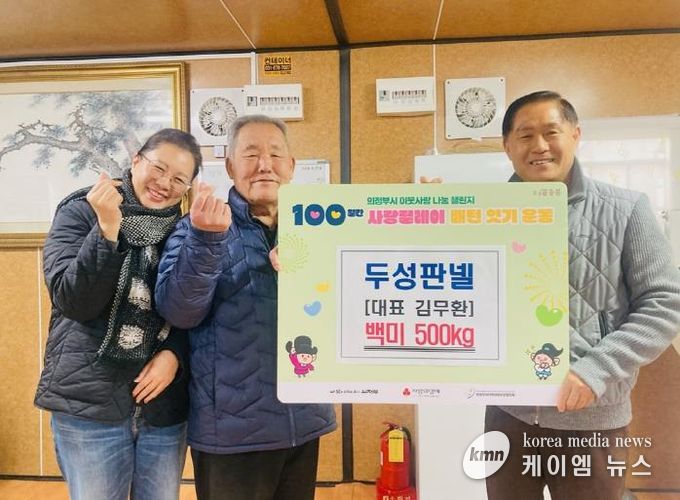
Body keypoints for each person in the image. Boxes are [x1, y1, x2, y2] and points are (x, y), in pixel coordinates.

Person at [484, 91, 680, 499]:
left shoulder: (627, 209)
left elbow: (664, 304)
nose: (539, 145)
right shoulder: (483, 213)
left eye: (551, 132)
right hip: (507, 414)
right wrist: (430, 210)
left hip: (593, 420)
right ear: (507, 146)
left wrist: (596, 369)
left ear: (575, 135)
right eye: (525, 135)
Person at [155, 114, 337, 500]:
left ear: (292, 166)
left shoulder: (320, 226)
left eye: (275, 154)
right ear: (230, 167)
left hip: (303, 420)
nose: (264, 165)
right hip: (232, 432)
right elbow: (179, 311)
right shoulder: (198, 226)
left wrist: (423, 215)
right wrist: (206, 241)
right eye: (251, 154)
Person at [35, 128, 202, 500]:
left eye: (179, 179)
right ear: (136, 160)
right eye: (159, 168)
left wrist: (174, 354)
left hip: (162, 408)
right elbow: (73, 301)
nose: (165, 183)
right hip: (90, 405)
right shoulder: (82, 210)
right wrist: (107, 230)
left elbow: (193, 307)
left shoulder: (185, 230)